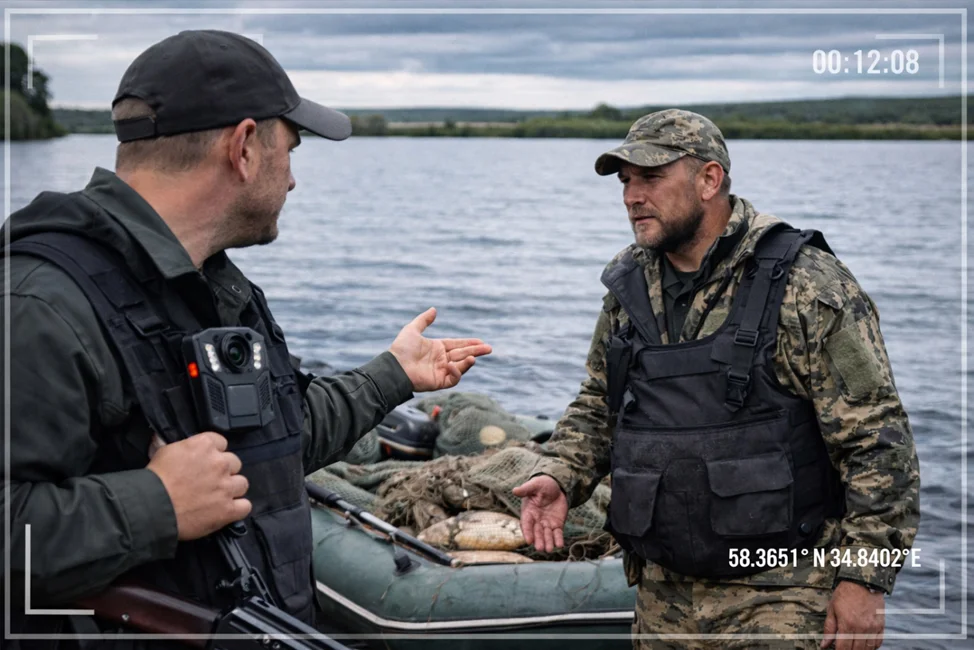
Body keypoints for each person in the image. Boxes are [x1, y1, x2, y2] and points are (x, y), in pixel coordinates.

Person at [1, 30, 491, 646]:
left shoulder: (207, 284)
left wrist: (394, 373)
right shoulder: (38, 304)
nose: (292, 180)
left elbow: (269, 444)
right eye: (291, 148)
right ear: (245, 148)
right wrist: (156, 504)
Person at [514, 109, 920, 650]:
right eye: (625, 180)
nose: (632, 195)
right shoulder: (631, 285)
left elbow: (878, 440)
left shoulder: (805, 285)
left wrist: (864, 579)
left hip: (785, 591)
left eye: (651, 177)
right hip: (665, 592)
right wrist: (561, 474)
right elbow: (600, 403)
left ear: (709, 180)